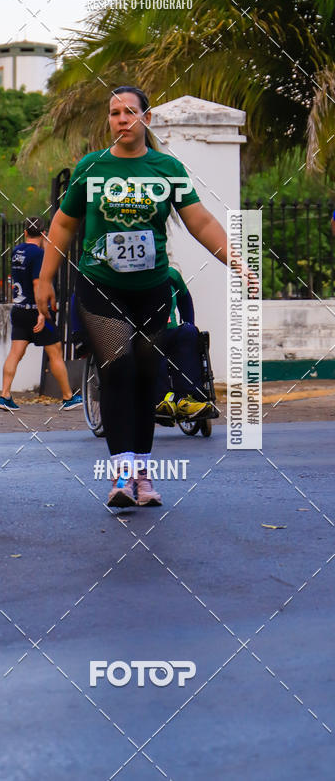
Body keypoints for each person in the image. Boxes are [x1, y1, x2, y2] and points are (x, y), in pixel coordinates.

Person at [36, 85, 230, 509]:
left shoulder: (165, 168)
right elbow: (64, 225)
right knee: (117, 372)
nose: (122, 119)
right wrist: (44, 279)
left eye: (129, 112)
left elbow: (199, 220)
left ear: (146, 119)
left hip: (153, 290)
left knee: (146, 378)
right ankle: (121, 475)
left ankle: (143, 473)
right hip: (102, 287)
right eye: (114, 113)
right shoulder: (93, 167)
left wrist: (236, 259)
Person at [0, 216, 82, 411]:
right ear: (44, 234)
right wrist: (42, 313)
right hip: (35, 311)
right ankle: (68, 397)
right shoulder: (38, 255)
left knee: (15, 353)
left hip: (18, 310)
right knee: (56, 354)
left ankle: (4, 395)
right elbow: (37, 284)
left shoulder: (16, 252)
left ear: (25, 232)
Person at [155, 265, 214, 420]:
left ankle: (186, 398)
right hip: (145, 334)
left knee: (190, 333)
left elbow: (185, 299)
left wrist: (189, 323)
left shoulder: (170, 274)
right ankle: (162, 399)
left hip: (171, 331)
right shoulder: (125, 278)